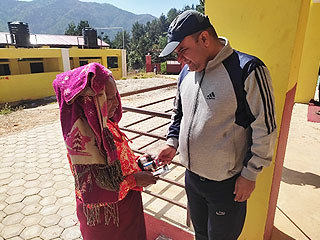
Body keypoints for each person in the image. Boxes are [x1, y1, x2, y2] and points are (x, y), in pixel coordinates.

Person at [157, 10, 277, 240]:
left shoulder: (247, 70)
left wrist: (250, 175)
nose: (180, 59)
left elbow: (266, 128)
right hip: (192, 178)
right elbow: (178, 113)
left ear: (204, 38)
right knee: (200, 234)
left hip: (226, 185)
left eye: (182, 50)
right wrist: (172, 144)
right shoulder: (186, 74)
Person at [53, 62, 158, 240]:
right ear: (88, 101)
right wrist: (134, 180)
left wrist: (137, 161)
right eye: (108, 98)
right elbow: (94, 191)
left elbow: (117, 160)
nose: (117, 102)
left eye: (116, 95)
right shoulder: (84, 141)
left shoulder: (105, 126)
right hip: (106, 220)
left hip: (126, 209)